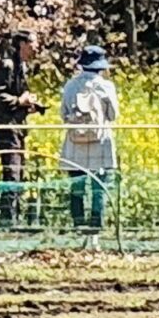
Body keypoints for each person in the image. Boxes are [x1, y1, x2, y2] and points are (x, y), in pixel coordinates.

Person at [0, 32, 42, 226]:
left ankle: (13, 217)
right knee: (12, 171)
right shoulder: (8, 65)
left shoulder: (22, 67)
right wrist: (19, 101)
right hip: (6, 127)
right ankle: (7, 219)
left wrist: (29, 105)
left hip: (18, 126)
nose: (36, 47)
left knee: (19, 171)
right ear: (22, 43)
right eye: (33, 43)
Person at [58, 46, 120, 233]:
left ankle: (78, 222)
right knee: (98, 184)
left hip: (75, 141)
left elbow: (63, 113)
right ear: (101, 66)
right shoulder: (106, 86)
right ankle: (96, 223)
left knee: (77, 184)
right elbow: (113, 115)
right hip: (100, 141)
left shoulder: (70, 85)